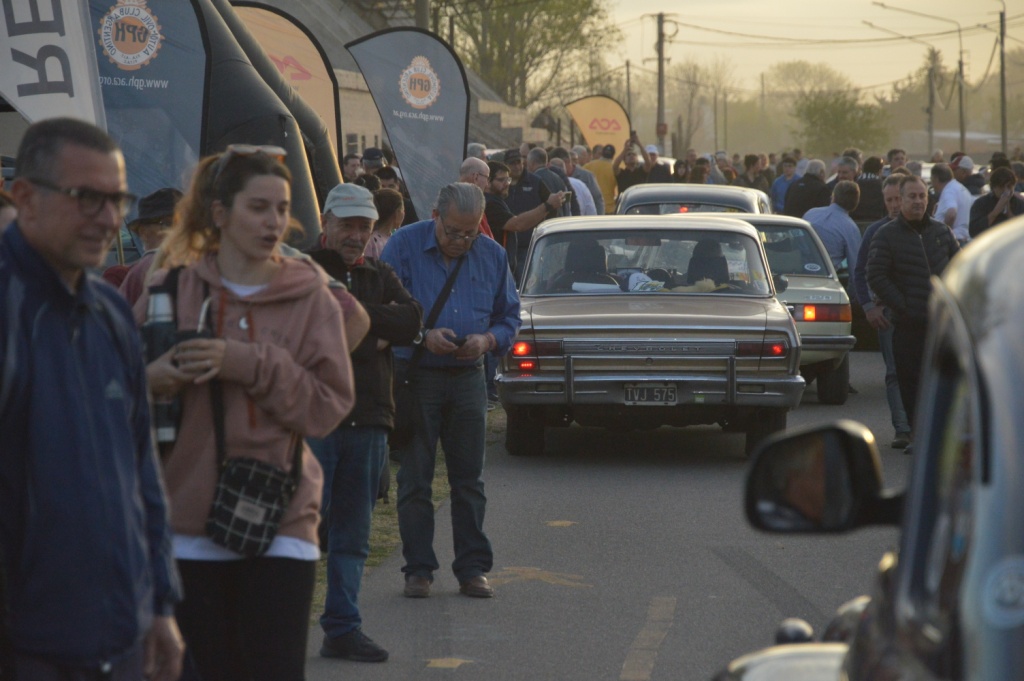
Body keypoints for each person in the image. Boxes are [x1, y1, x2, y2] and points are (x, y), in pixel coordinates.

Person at [136, 145, 355, 680]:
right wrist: (148, 380)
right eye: (258, 207)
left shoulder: (311, 297)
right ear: (219, 214)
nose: (274, 221)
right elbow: (104, 397)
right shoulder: (167, 291)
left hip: (280, 519)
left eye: (281, 208)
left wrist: (247, 363)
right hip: (184, 523)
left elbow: (327, 408)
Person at [1, 117, 184, 680]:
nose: (110, 219)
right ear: (24, 197)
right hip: (27, 645)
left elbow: (140, 470)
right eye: (86, 198)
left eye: (117, 199)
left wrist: (159, 603)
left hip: (119, 632)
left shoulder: (110, 314)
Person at [380, 183, 521, 600]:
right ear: (434, 215)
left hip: (467, 379)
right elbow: (384, 312)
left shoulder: (492, 255)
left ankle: (473, 568)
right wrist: (422, 335)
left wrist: (488, 341)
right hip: (416, 376)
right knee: (416, 477)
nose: (461, 241)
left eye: (471, 233)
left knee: (469, 480)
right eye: (453, 232)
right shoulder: (403, 246)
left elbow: (509, 316)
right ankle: (418, 569)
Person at [308, 183, 422, 663]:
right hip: (314, 421)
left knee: (353, 534)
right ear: (327, 226)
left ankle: (342, 627)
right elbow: (309, 329)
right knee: (299, 532)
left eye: (364, 227)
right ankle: (278, 624)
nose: (356, 235)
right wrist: (375, 330)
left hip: (371, 418)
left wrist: (357, 322)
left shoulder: (379, 272)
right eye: (347, 225)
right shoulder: (302, 272)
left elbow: (412, 320)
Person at [867, 175, 960, 439]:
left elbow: (961, 266)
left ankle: (945, 439)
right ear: (902, 198)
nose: (918, 201)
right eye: (912, 196)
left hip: (943, 326)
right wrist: (904, 305)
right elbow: (875, 274)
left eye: (922, 196)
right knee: (912, 388)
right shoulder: (886, 235)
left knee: (946, 385)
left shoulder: (942, 232)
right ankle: (919, 439)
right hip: (909, 327)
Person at [853, 174, 912, 449]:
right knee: (894, 371)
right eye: (889, 200)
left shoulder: (927, 231)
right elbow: (859, 271)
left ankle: (919, 426)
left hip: (919, 313)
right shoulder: (874, 231)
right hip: (886, 314)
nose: (894, 205)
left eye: (898, 199)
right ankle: (902, 429)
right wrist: (867, 306)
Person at [488, 158, 566, 282]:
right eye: (501, 180)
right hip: (495, 269)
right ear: (488, 181)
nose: (507, 183)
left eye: (508, 179)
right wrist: (547, 206)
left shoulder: (497, 200)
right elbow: (518, 224)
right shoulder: (490, 203)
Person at [118, 187, 183, 306]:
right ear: (143, 232)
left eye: (183, 223)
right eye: (168, 224)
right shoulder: (158, 264)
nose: (177, 231)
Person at [803, 180, 862, 290]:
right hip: (826, 281)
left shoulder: (810, 213)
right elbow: (855, 269)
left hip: (799, 276)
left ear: (833, 197)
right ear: (856, 202)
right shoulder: (850, 228)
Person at [969, 167, 1024, 238]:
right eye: (1001, 187)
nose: (1005, 190)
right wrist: (996, 211)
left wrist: (1009, 212)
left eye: (1009, 187)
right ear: (994, 187)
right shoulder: (981, 203)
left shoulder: (1019, 204)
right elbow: (974, 231)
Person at [930, 163, 973, 245]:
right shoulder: (961, 189)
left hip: (953, 241)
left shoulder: (949, 191)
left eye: (931, 179)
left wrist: (943, 235)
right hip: (962, 239)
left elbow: (951, 214)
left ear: (935, 178)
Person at [458, 156, 496, 239]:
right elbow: (483, 241)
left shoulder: (448, 198)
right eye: (487, 178)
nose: (487, 184)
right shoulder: (471, 204)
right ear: (476, 177)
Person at [364, 187, 404, 258]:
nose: (404, 213)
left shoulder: (371, 239)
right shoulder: (372, 241)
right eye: (402, 210)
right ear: (397, 213)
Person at [584, 144, 618, 214]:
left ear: (602, 153)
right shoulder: (614, 169)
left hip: (592, 206)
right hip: (609, 208)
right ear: (613, 155)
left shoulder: (588, 166)